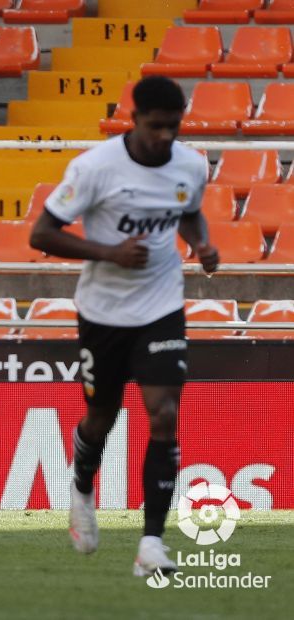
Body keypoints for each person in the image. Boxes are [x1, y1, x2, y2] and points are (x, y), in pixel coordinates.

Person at [29, 75, 220, 576]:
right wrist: (107, 251)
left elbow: (190, 212)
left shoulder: (191, 164)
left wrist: (201, 244)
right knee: (102, 418)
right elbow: (42, 233)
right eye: (156, 127)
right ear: (134, 120)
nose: (165, 137)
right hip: (103, 313)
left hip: (161, 306)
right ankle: (82, 491)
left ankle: (152, 544)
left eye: (173, 128)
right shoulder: (94, 168)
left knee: (164, 415)